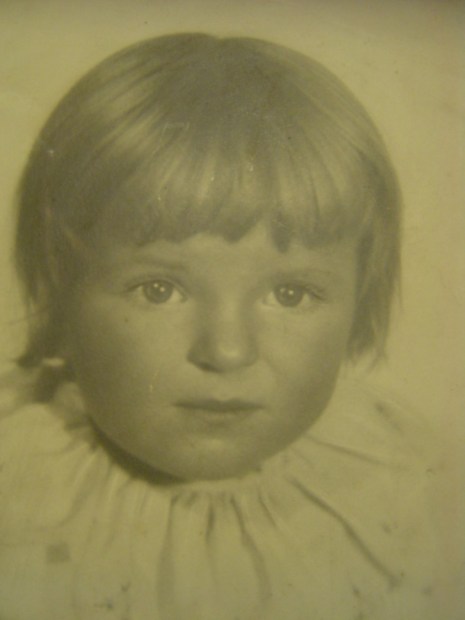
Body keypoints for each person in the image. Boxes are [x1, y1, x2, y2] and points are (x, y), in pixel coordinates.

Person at [0, 33, 438, 619]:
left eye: (290, 294)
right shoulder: (18, 494)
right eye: (160, 290)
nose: (227, 351)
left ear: (361, 298)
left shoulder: (404, 490)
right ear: (61, 286)